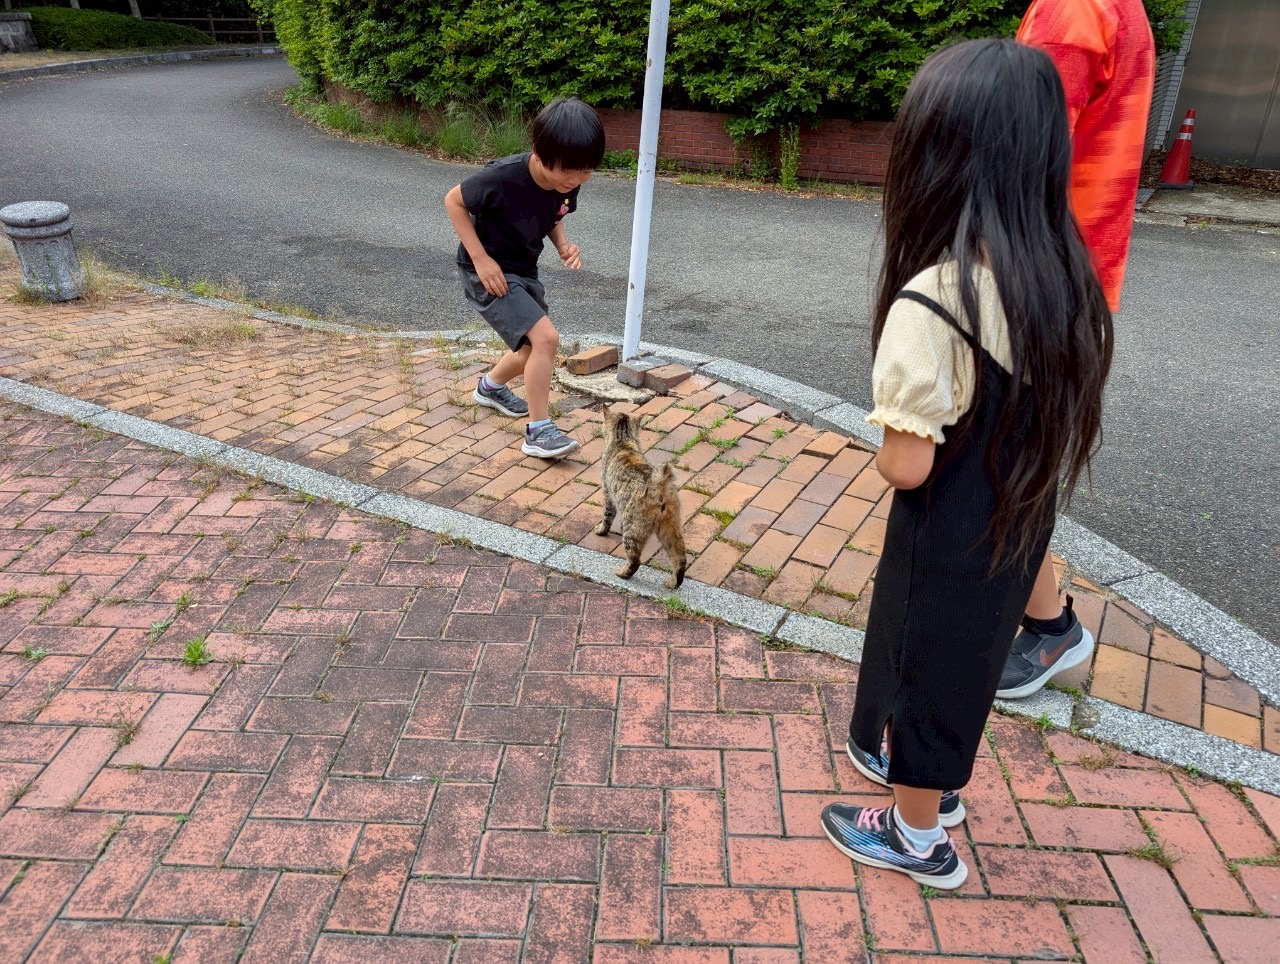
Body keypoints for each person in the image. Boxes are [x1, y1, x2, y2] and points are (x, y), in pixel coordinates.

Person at [821, 38, 1113, 888]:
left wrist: (889, 438)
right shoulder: (1061, 279)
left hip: (943, 532)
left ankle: (918, 837)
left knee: (923, 666)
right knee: (970, 664)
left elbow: (907, 466)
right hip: (1014, 521)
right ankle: (934, 793)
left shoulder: (936, 299)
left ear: (935, 158)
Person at [998, 0, 1154, 700]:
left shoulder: (1072, 12)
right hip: (1072, 276)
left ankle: (1050, 628)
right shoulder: (1116, 7)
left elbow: (1021, 161)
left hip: (1037, 282)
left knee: (1002, 465)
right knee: (1015, 462)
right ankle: (1043, 623)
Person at [444, 96, 604, 460]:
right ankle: (538, 431)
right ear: (539, 153)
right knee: (546, 338)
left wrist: (563, 244)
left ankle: (490, 387)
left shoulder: (567, 180)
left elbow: (555, 213)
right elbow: (454, 201)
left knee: (532, 348)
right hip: (487, 271)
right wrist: (481, 259)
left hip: (524, 269)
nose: (576, 180)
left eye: (586, 172)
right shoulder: (503, 176)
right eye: (569, 171)